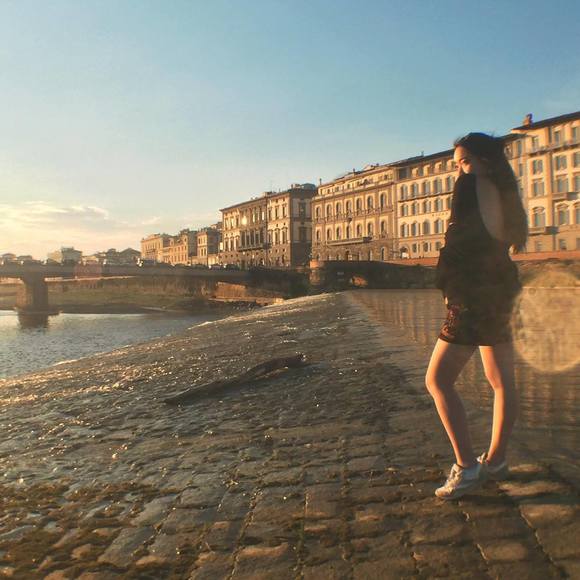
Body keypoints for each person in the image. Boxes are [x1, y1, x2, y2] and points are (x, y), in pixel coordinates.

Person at [426, 132, 528, 500]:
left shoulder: (468, 186)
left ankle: (467, 467)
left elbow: (456, 244)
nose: (460, 170)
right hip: (502, 292)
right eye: (457, 164)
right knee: (501, 381)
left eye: (465, 161)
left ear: (484, 161)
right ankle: (496, 461)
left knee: (437, 380)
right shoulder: (506, 192)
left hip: (472, 295)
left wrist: (448, 287)